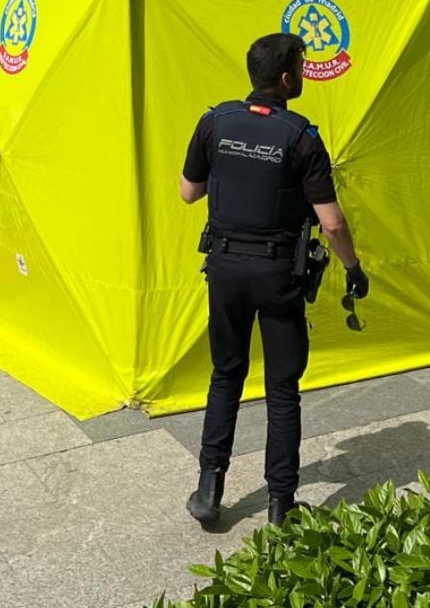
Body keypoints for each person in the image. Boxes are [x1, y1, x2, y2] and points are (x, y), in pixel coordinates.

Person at [179, 32, 368, 529]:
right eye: (302, 68)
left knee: (226, 374)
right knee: (282, 389)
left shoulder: (214, 122)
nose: (303, 74)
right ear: (286, 78)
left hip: (223, 268)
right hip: (277, 273)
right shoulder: (301, 136)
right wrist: (353, 268)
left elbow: (187, 193)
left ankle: (208, 487)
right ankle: (281, 504)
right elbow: (332, 223)